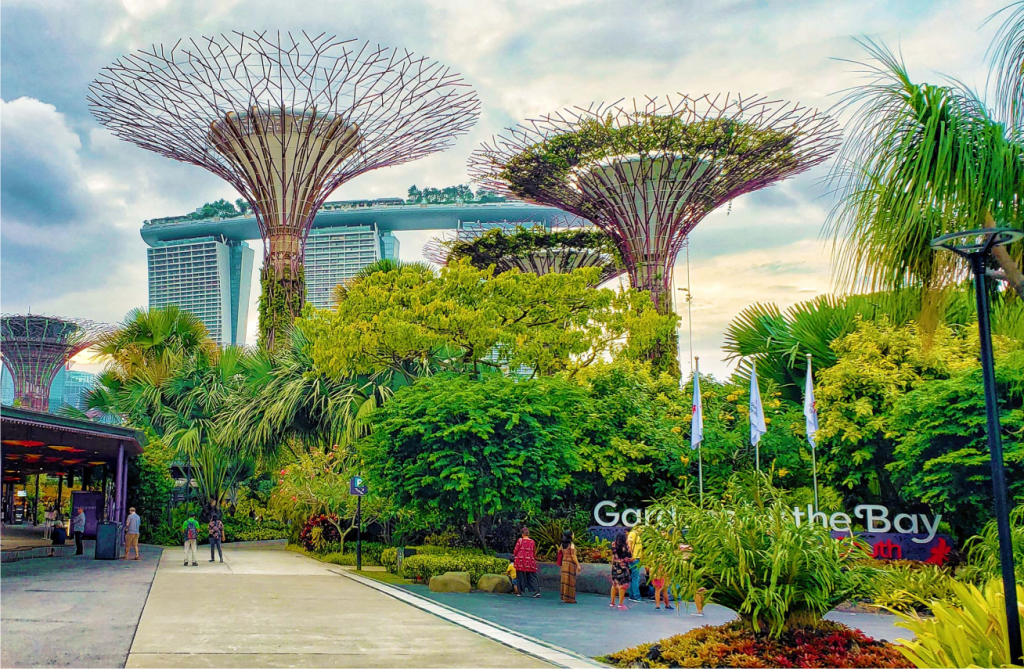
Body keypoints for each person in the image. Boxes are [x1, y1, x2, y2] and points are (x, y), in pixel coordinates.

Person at [512, 526, 540, 598]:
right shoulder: (532, 541)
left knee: (520, 576)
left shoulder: (520, 540)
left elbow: (516, 550)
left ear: (522, 534)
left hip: (520, 561)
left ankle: (520, 592)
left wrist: (515, 556)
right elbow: (534, 551)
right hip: (530, 561)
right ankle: (536, 591)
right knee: (532, 576)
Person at [610, 532, 632, 610]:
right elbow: (629, 556)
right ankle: (620, 604)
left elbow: (613, 556)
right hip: (623, 567)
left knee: (614, 584)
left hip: (615, 566)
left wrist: (612, 565)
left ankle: (612, 602)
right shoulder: (625, 547)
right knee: (623, 585)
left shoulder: (613, 545)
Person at [557, 530, 581, 604]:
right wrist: (578, 565)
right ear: (570, 536)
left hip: (564, 563)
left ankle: (564, 597)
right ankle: (570, 598)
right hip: (570, 563)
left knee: (565, 580)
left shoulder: (562, 544)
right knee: (570, 581)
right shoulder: (571, 545)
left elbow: (559, 551)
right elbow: (573, 556)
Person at [626, 524, 643, 602]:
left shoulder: (636, 534)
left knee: (634, 577)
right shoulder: (633, 533)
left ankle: (633, 595)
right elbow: (629, 544)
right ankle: (635, 595)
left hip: (636, 558)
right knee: (635, 577)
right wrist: (631, 555)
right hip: (634, 558)